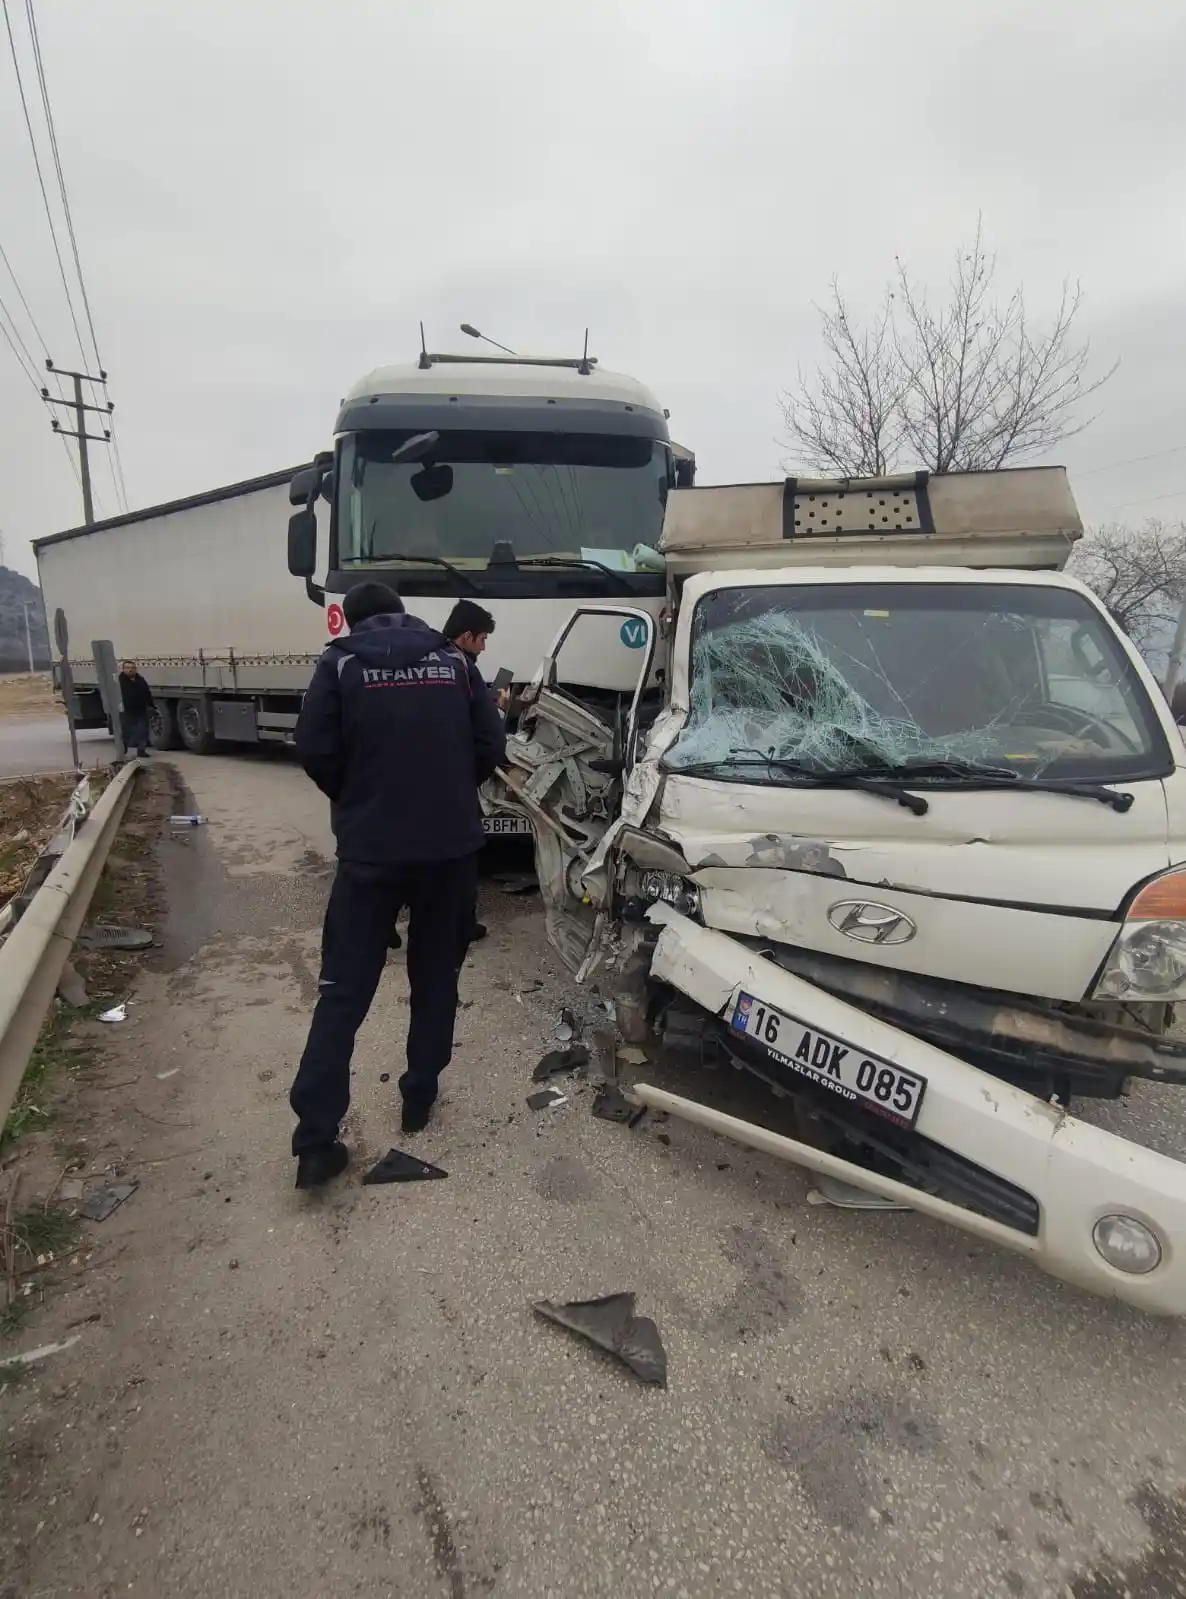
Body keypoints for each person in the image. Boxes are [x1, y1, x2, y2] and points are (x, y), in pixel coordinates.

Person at [289, 580, 506, 1188]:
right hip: (450, 851)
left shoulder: (339, 664)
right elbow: (491, 744)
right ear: (401, 615)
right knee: (435, 977)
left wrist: (357, 799)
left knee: (343, 991)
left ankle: (314, 1142)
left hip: (370, 855)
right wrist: (449, 791)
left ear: (353, 622)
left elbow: (314, 749)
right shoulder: (456, 664)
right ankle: (418, 1098)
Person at [389, 599, 503, 953]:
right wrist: (469, 779)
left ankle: (384, 923)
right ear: (466, 637)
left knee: (406, 855)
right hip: (449, 781)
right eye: (482, 638)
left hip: (407, 779)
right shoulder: (460, 666)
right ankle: (461, 926)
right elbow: (488, 740)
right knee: (461, 858)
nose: (484, 646)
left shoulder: (422, 658)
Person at [118, 661, 154, 758]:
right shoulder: (120, 681)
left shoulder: (140, 679)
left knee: (143, 730)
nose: (130, 669)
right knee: (127, 730)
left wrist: (151, 705)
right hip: (127, 710)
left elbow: (147, 692)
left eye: (133, 668)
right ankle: (123, 749)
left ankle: (141, 750)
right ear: (123, 669)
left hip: (141, 709)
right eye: (128, 668)